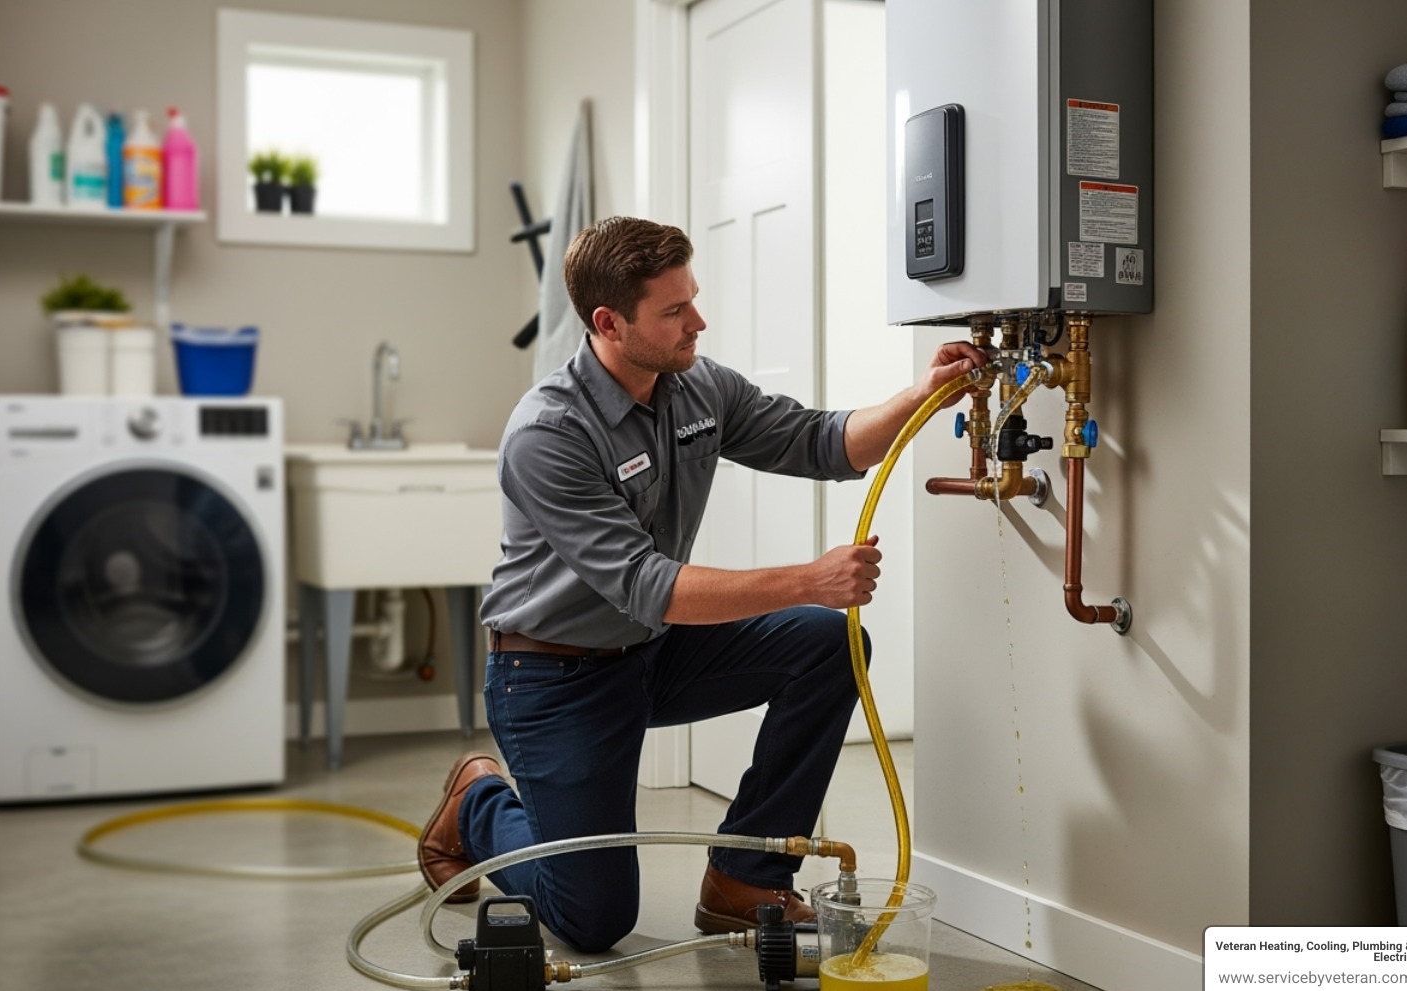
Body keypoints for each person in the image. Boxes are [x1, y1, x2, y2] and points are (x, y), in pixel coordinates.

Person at [418, 216, 986, 953]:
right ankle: (478, 804)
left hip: (651, 654)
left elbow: (822, 441)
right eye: (674, 310)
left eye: (694, 298)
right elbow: (647, 584)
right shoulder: (550, 432)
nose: (699, 321)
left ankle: (745, 876)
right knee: (593, 920)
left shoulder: (697, 388)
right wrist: (809, 578)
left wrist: (924, 393)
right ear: (608, 323)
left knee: (826, 644)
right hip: (551, 678)